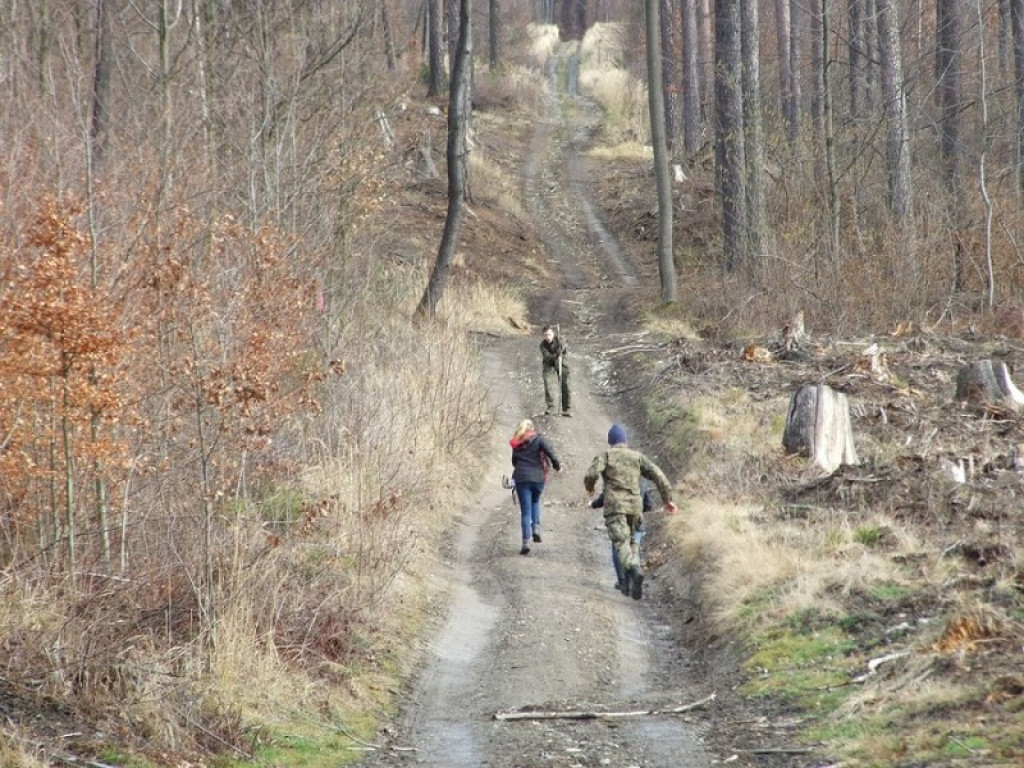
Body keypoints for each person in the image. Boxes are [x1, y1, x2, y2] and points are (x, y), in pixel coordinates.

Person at [584, 423, 677, 599]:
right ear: (625, 441)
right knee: (633, 542)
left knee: (620, 542)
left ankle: (633, 570)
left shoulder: (606, 456)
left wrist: (590, 488)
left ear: (610, 441)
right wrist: (667, 500)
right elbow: (659, 476)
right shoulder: (638, 457)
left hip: (616, 508)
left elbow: (591, 474)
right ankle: (634, 579)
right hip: (635, 508)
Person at [509, 418, 561, 555]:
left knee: (525, 511)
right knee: (535, 501)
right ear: (532, 429)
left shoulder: (517, 443)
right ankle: (536, 528)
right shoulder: (539, 439)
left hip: (522, 478)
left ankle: (526, 542)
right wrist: (557, 466)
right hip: (538, 478)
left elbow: (514, 462)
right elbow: (551, 453)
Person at [590, 488, 653, 592]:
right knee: (634, 551)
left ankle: (623, 581)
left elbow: (604, 498)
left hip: (619, 523)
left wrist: (593, 504)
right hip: (637, 523)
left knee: (617, 551)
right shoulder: (640, 481)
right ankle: (634, 577)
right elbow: (648, 505)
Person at [540, 325, 572, 417]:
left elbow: (565, 346)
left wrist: (561, 348)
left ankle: (566, 409)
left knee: (565, 384)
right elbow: (547, 357)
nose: (547, 337)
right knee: (547, 383)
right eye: (545, 335)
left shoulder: (560, 339)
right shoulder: (542, 345)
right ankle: (551, 407)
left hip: (561, 362)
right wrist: (555, 355)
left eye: (549, 334)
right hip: (549, 363)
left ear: (553, 334)